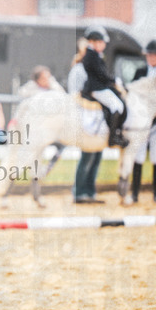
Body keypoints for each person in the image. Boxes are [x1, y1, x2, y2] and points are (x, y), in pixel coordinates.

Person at [130, 40, 156, 203]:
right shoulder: (140, 73)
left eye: (154, 55)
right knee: (138, 156)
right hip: (142, 122)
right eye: (149, 55)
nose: (151, 58)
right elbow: (133, 94)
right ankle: (135, 193)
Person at [81, 26, 129, 148]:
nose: (104, 45)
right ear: (93, 42)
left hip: (100, 86)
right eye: (101, 42)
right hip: (97, 88)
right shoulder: (91, 56)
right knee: (116, 106)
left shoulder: (96, 54)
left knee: (119, 103)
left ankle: (117, 132)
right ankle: (112, 137)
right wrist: (115, 80)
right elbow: (101, 74)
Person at [68, 38, 103, 204]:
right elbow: (74, 94)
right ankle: (79, 191)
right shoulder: (78, 70)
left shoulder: (96, 68)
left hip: (98, 115)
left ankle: (90, 190)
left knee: (97, 154)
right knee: (88, 154)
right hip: (84, 115)